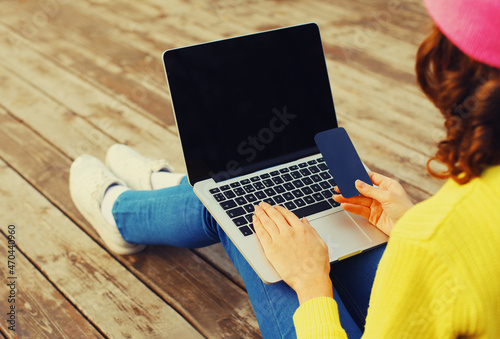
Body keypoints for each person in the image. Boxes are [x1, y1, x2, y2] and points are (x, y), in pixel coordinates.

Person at [69, 0, 500, 337]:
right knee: (249, 202)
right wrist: (408, 224)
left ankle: (123, 213)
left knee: (245, 215)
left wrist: (311, 281)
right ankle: (171, 190)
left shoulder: (433, 240)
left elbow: (441, 255)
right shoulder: (439, 230)